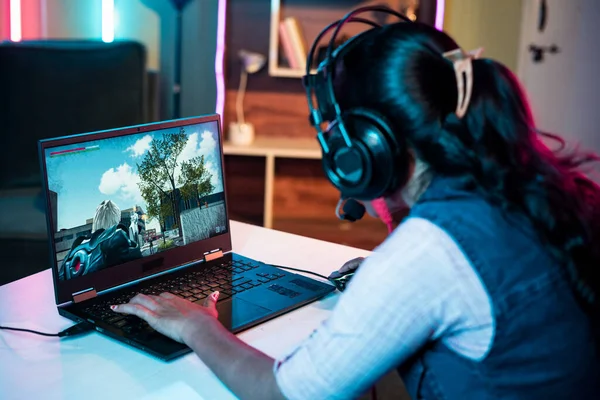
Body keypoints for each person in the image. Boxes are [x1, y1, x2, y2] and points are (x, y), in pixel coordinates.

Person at [111, 11, 600, 400]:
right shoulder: (537, 185)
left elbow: (283, 392)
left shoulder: (431, 250)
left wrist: (197, 326)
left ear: (367, 152)